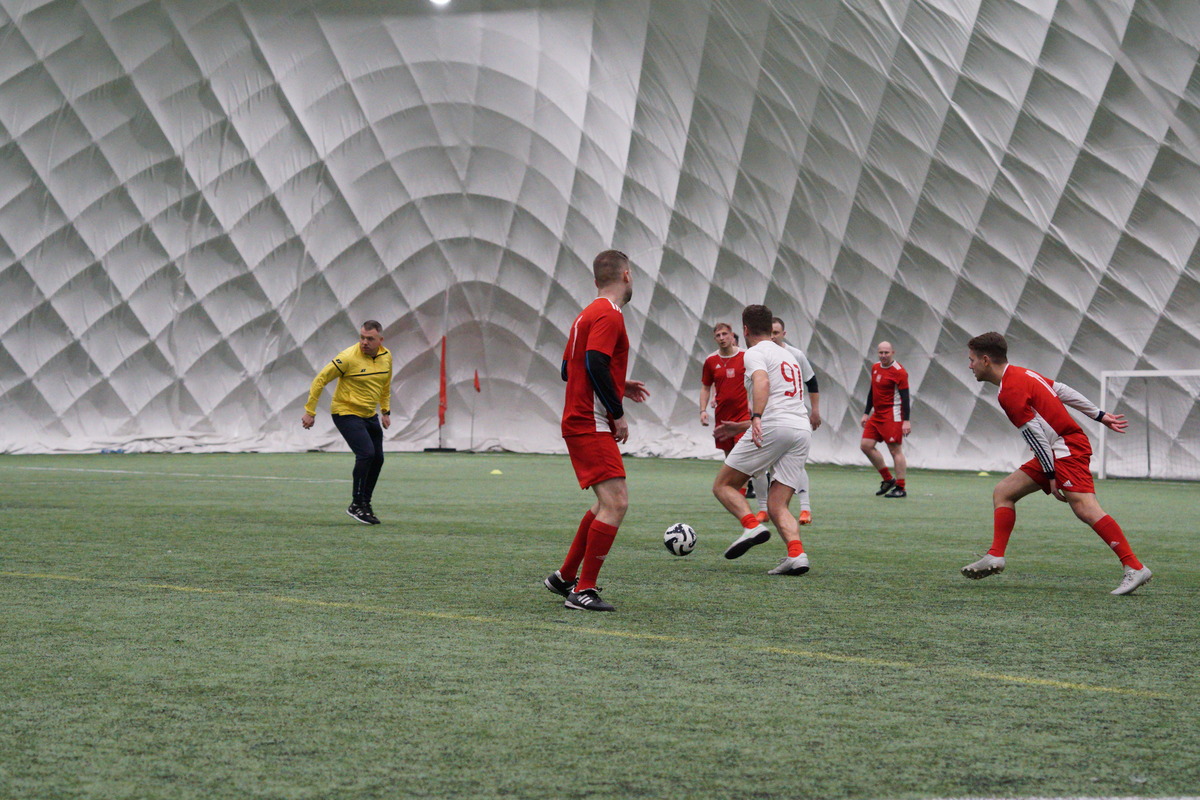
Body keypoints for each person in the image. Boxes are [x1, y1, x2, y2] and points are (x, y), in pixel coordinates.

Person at [963, 332, 1151, 595]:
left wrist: (1051, 476)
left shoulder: (1009, 392)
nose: (969, 365)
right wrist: (1098, 415)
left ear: (985, 360)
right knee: (1003, 492)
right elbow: (1061, 390)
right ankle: (995, 555)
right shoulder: (1023, 373)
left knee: (1085, 508)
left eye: (971, 360)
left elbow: (1035, 435)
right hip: (1054, 451)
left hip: (1066, 449)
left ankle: (1134, 566)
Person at [543, 250, 650, 612]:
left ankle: (564, 577)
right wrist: (616, 412)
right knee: (617, 503)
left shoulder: (585, 314)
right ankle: (583, 589)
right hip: (590, 422)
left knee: (605, 502)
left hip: (580, 418)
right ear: (626, 275)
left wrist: (618, 384)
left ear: (595, 280)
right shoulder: (610, 313)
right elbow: (594, 361)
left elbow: (568, 369)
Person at [713, 304, 814, 576]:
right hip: (801, 429)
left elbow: (762, 382)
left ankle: (751, 525)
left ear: (744, 330)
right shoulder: (789, 355)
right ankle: (797, 554)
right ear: (771, 329)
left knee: (723, 485)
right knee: (777, 504)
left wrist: (756, 416)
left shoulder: (754, 352)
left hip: (774, 425)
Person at [301, 320, 393, 524]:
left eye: (370, 339)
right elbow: (320, 379)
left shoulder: (386, 356)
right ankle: (356, 504)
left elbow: (385, 385)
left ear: (380, 340)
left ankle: (365, 504)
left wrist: (385, 411)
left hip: (369, 414)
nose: (364, 342)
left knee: (378, 459)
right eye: (362, 337)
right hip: (346, 412)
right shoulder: (347, 357)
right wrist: (310, 411)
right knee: (366, 454)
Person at [700, 323, 769, 521]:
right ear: (715, 338)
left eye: (725, 334)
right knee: (731, 461)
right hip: (723, 419)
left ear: (732, 336)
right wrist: (703, 410)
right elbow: (706, 386)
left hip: (744, 418)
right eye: (718, 335)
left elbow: (759, 380)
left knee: (752, 463)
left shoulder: (746, 356)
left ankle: (761, 506)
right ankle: (741, 502)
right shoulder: (711, 360)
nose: (722, 338)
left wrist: (754, 405)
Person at [770, 317, 820, 524]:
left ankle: (805, 508)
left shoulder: (796, 354)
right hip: (772, 417)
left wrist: (815, 410)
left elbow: (812, 382)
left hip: (794, 416)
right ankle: (765, 508)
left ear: (784, 334)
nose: (773, 336)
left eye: (776, 332)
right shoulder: (763, 354)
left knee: (795, 463)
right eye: (769, 332)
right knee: (769, 464)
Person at [860, 340, 910, 497]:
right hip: (877, 414)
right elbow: (872, 391)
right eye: (881, 352)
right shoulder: (875, 367)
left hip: (892, 415)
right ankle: (888, 479)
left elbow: (905, 397)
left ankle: (901, 488)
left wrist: (906, 420)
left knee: (895, 450)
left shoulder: (899, 371)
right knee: (866, 446)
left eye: (886, 353)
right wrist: (866, 413)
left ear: (892, 353)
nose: (883, 355)